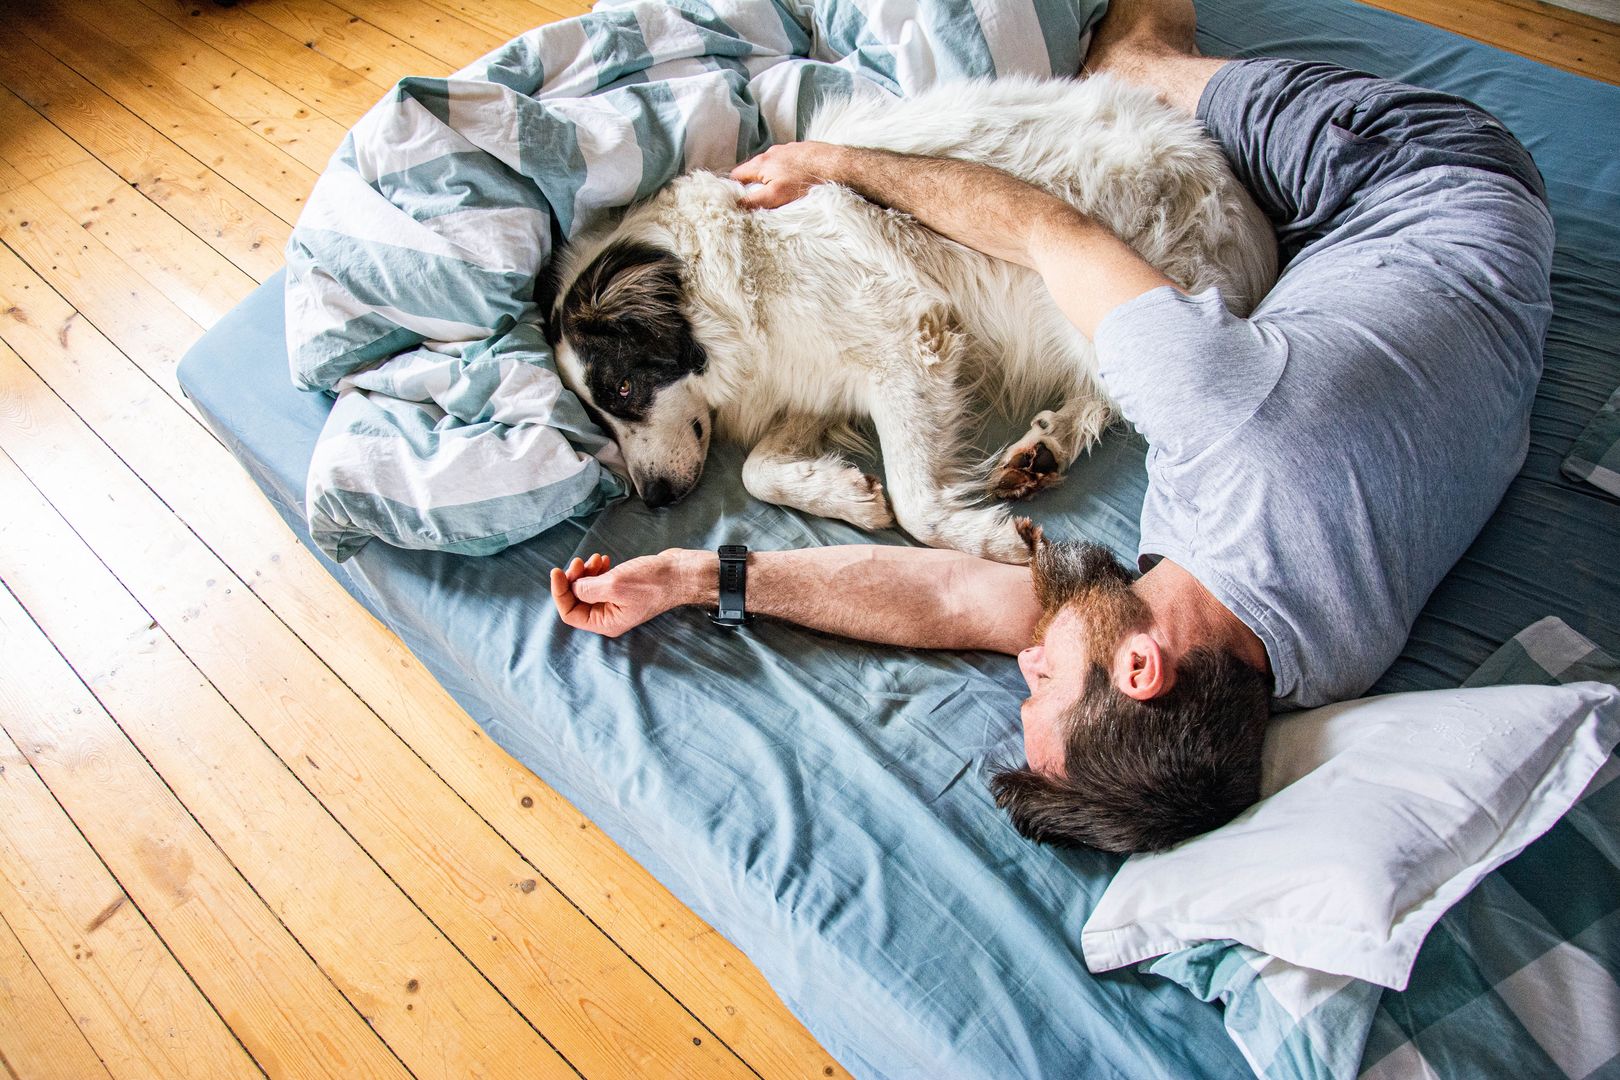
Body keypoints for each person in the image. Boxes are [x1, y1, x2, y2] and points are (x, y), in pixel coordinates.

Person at [548, 0, 1556, 852]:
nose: (1022, 660)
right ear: (1140, 667)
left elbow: (953, 600)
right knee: (1134, 64)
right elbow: (1041, 223)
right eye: (1042, 682)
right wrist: (831, 160)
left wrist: (693, 577)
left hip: (1422, 327)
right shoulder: (1226, 418)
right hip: (1418, 175)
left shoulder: (1284, 669)